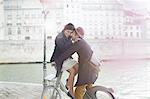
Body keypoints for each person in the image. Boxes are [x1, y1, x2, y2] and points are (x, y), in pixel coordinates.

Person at [55, 27, 100, 99]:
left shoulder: (79, 43)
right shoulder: (81, 42)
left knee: (78, 92)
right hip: (92, 69)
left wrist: (56, 61)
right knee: (90, 91)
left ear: (76, 35)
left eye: (72, 33)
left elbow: (67, 53)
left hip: (87, 70)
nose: (71, 35)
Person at [50, 23, 78, 98]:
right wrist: (74, 43)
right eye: (67, 31)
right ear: (64, 29)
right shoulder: (59, 37)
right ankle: (70, 90)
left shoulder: (68, 37)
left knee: (78, 67)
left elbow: (69, 50)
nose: (68, 33)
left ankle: (67, 82)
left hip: (66, 58)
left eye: (70, 32)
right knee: (72, 71)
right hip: (58, 59)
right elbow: (64, 48)